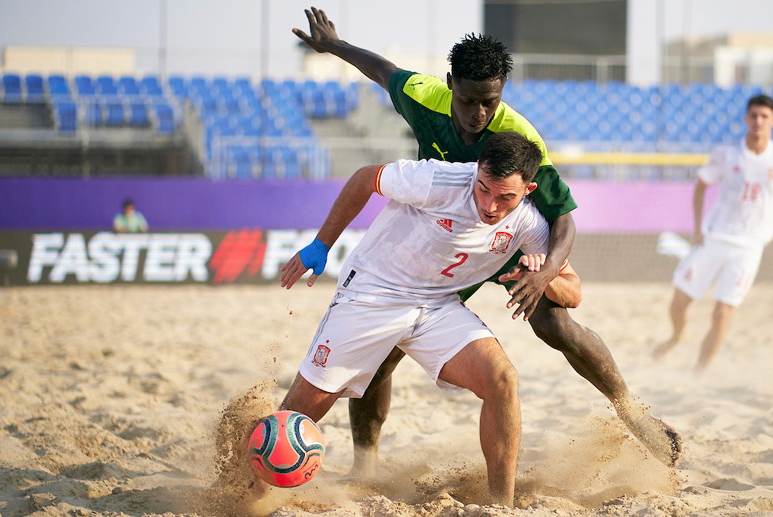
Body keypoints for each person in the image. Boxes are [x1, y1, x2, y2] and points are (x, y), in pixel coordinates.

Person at [291, 7, 682, 473]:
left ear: (502, 92)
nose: (478, 113)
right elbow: (382, 70)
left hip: (504, 237)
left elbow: (564, 220)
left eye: (489, 102)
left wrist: (544, 274)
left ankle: (630, 410)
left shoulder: (520, 138)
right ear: (450, 83)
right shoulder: (424, 96)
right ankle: (366, 466)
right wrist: (334, 46)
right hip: (441, 237)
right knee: (382, 355)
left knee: (554, 323)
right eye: (469, 100)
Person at [278, 132, 582, 506]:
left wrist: (542, 276)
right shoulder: (439, 179)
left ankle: (500, 506)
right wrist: (321, 244)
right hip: (373, 293)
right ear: (477, 171)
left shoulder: (529, 223)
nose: (490, 205)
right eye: (484, 188)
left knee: (503, 379)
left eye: (505, 197)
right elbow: (365, 178)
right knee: (298, 412)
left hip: (437, 306)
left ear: (528, 189)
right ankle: (245, 486)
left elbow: (574, 292)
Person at [653, 94, 773, 373]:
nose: (758, 121)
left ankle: (698, 374)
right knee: (677, 304)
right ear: (746, 118)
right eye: (754, 115)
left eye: (764, 116)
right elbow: (701, 185)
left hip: (750, 246)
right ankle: (677, 335)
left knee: (722, 312)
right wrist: (697, 228)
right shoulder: (726, 153)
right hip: (714, 238)